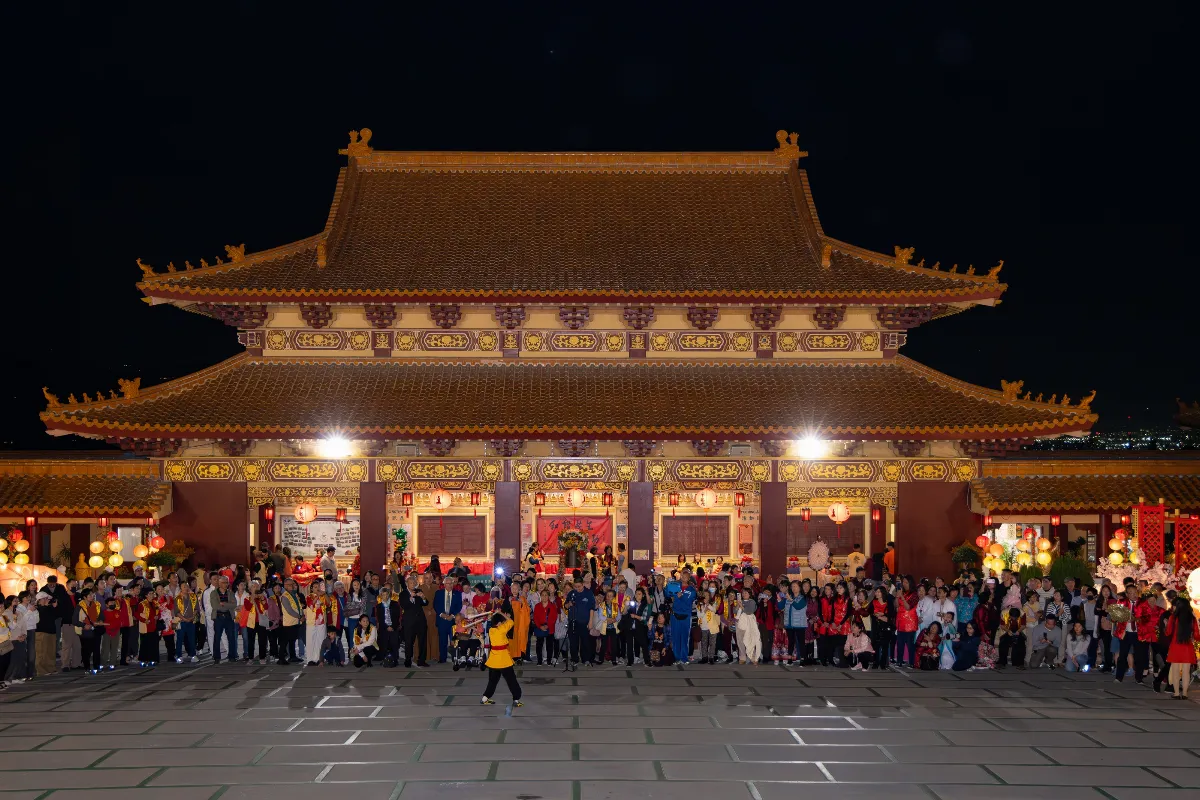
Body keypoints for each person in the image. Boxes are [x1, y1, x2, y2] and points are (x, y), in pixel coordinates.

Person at [480, 605, 523, 707]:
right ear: (499, 623)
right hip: (503, 659)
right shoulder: (502, 629)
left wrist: (495, 615)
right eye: (501, 622)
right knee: (511, 680)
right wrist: (500, 613)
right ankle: (516, 700)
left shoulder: (491, 630)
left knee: (492, 681)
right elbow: (511, 621)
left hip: (494, 659)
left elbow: (491, 621)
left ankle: (485, 698)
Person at [1163, 596, 1199, 699]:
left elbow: (1168, 632)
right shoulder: (1192, 618)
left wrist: (1166, 624)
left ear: (1177, 606)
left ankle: (1176, 693)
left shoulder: (1173, 618)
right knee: (1186, 672)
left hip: (1176, 647)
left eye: (1173, 605)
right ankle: (1185, 694)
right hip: (1187, 647)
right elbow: (1197, 635)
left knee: (1175, 671)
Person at [564, 576, 597, 670]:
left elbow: (592, 608)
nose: (577, 588)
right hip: (573, 621)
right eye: (575, 587)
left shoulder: (588, 593)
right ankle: (574, 659)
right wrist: (568, 604)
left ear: (583, 584)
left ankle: (585, 659)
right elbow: (565, 606)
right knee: (573, 642)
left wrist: (590, 621)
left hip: (584, 622)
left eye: (579, 586)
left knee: (585, 641)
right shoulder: (571, 593)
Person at [399, 575, 430, 668]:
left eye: (414, 583)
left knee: (422, 641)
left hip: (420, 621)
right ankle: (408, 660)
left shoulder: (419, 591)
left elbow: (425, 603)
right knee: (409, 642)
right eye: (411, 583)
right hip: (409, 621)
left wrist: (423, 597)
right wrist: (411, 597)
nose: (413, 584)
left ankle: (421, 660)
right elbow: (404, 605)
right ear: (407, 584)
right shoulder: (403, 594)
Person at [433, 575, 463, 664]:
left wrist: (452, 615)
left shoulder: (457, 594)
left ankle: (455, 658)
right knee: (442, 641)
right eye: (447, 583)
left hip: (453, 621)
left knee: (454, 640)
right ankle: (442, 658)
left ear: (453, 584)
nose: (449, 585)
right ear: (444, 584)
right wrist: (442, 615)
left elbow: (459, 606)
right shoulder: (438, 593)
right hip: (442, 620)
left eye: (451, 583)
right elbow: (436, 605)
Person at [210, 576, 238, 664]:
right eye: (224, 582)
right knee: (217, 637)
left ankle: (232, 656)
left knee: (231, 637)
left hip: (228, 616)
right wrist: (227, 605)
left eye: (227, 582)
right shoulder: (214, 593)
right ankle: (217, 657)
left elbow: (234, 605)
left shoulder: (230, 593)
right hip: (218, 617)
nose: (226, 584)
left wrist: (224, 604)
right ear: (219, 583)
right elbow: (215, 606)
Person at [780, 581, 808, 665]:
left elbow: (798, 606)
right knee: (791, 642)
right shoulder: (788, 596)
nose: (793, 588)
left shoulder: (803, 598)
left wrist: (790, 600)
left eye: (795, 586)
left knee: (801, 642)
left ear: (800, 588)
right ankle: (789, 659)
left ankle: (803, 659)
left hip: (799, 624)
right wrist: (779, 600)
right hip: (789, 624)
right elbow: (780, 607)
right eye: (792, 586)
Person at [670, 576, 697, 665]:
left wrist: (680, 597)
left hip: (685, 616)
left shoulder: (692, 590)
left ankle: (684, 658)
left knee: (685, 638)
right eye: (682, 575)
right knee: (675, 637)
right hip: (675, 615)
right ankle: (676, 658)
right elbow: (670, 598)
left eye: (686, 576)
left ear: (688, 578)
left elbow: (688, 601)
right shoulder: (675, 587)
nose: (684, 578)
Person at [375, 587, 402, 666]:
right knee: (384, 644)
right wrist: (386, 626)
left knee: (394, 644)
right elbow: (380, 618)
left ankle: (395, 659)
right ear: (381, 596)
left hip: (394, 627)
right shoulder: (379, 606)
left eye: (386, 595)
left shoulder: (395, 604)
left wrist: (392, 626)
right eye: (383, 595)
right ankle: (384, 660)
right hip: (384, 628)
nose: (385, 596)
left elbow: (397, 616)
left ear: (389, 595)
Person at [532, 588, 558, 666]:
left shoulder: (552, 606)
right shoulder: (537, 606)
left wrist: (547, 626)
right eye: (542, 595)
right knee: (539, 645)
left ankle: (549, 660)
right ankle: (539, 660)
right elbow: (535, 617)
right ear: (540, 596)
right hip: (540, 628)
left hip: (550, 628)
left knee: (549, 645)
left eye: (546, 595)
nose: (544, 597)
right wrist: (540, 626)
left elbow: (554, 617)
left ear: (548, 596)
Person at [736, 587, 761, 665]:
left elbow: (749, 611)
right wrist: (738, 605)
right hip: (740, 623)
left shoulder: (752, 602)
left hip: (749, 623)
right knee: (740, 640)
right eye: (743, 593)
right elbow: (735, 611)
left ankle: (753, 657)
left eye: (746, 593)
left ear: (750, 594)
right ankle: (742, 657)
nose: (744, 594)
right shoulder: (741, 601)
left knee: (751, 639)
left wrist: (741, 606)